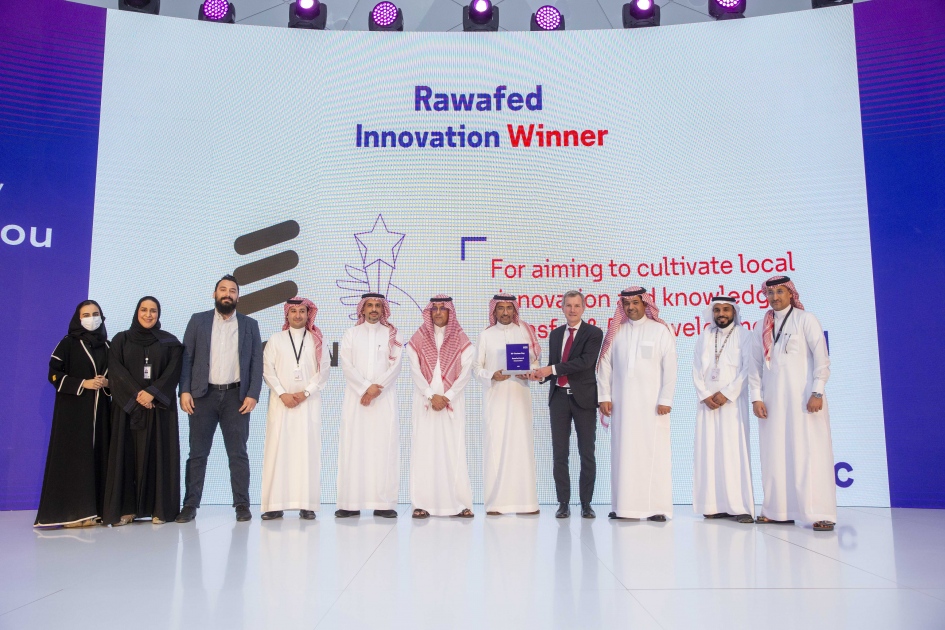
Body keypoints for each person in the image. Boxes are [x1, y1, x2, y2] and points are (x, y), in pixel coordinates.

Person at [749, 276, 836, 531]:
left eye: (780, 292)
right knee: (775, 455)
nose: (775, 297)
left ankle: (821, 513)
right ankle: (778, 511)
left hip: (805, 401)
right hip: (773, 403)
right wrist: (756, 397)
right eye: (770, 293)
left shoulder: (806, 320)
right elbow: (754, 365)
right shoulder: (761, 325)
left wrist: (817, 392)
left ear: (790, 294)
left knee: (811, 454)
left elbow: (822, 360)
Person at [176, 275, 263, 524]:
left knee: (238, 454)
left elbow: (257, 362)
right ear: (214, 294)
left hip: (237, 397)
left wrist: (253, 394)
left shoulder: (250, 325)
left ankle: (242, 505)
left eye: (232, 291)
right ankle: (190, 505)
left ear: (238, 297)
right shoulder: (198, 321)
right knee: (197, 453)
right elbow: (187, 358)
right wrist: (184, 390)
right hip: (202, 396)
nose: (227, 294)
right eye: (223, 290)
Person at [597, 287, 677, 521]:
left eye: (635, 303)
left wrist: (665, 399)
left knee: (654, 454)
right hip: (622, 406)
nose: (630, 307)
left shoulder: (660, 330)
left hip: (652, 406)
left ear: (645, 304)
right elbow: (605, 366)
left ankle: (657, 508)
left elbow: (670, 367)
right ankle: (623, 507)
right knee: (624, 454)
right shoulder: (616, 332)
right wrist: (604, 396)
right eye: (626, 303)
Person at [102, 297, 183, 526]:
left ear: (159, 313)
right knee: (126, 456)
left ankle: (160, 509)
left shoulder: (170, 342)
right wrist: (138, 395)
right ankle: (127, 510)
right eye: (144, 310)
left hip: (159, 410)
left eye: (153, 311)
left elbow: (173, 371)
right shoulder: (121, 340)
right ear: (137, 312)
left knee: (159, 456)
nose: (148, 315)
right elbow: (116, 371)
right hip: (127, 410)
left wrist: (153, 393)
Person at [34, 300, 111, 529]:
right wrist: (82, 383)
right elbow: (54, 374)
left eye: (95, 314)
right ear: (78, 318)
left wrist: (107, 383)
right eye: (86, 314)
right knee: (74, 460)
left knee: (98, 457)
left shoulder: (108, 346)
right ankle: (71, 514)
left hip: (101, 414)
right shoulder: (67, 343)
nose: (91, 318)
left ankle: (94, 512)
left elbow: (117, 377)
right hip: (73, 413)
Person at [531, 291, 603, 519]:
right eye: (568, 305)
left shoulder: (594, 333)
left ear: (584, 308)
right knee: (559, 454)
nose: (572, 310)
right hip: (559, 399)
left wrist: (550, 369)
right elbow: (553, 366)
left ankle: (586, 503)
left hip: (584, 400)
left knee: (587, 453)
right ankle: (563, 503)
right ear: (562, 307)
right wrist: (538, 376)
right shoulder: (555, 334)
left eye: (577, 305)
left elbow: (584, 362)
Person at [260, 298, 330, 521]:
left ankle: (306, 505)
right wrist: (282, 393)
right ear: (287, 314)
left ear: (308, 314)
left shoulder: (316, 340)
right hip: (281, 404)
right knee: (277, 452)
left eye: (302, 311)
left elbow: (323, 371)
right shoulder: (275, 339)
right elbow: (267, 370)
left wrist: (305, 392)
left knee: (306, 453)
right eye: (294, 311)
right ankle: (274, 505)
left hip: (307, 404)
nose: (298, 315)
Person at [406, 295, 475, 519]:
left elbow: (466, 373)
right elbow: (415, 371)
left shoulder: (461, 339)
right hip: (425, 403)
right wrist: (430, 395)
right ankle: (421, 504)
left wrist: (447, 397)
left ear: (450, 312)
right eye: (434, 308)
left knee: (454, 451)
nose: (437, 312)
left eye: (442, 308)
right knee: (424, 451)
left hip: (451, 403)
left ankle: (460, 504)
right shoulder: (418, 338)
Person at [336, 293, 403, 519]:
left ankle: (384, 504)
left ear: (383, 310)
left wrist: (375, 389)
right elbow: (346, 365)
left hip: (383, 400)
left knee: (383, 449)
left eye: (377, 306)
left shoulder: (392, 335)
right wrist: (365, 387)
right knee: (354, 448)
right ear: (362, 309)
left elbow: (395, 367)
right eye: (369, 305)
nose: (374, 309)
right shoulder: (351, 334)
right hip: (356, 401)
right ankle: (350, 503)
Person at [473, 294, 541, 516]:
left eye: (508, 308)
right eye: (500, 308)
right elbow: (476, 368)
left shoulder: (525, 332)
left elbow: (535, 363)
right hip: (496, 400)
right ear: (494, 311)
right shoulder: (485, 335)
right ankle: (496, 504)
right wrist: (491, 374)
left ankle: (526, 504)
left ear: (514, 310)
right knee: (496, 447)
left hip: (520, 398)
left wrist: (529, 371)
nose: (505, 312)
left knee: (521, 447)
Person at [691, 296, 755, 524]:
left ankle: (740, 507)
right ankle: (713, 505)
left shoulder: (744, 335)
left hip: (732, 405)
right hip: (708, 404)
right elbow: (696, 369)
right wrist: (705, 395)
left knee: (733, 453)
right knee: (709, 453)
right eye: (717, 310)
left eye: (726, 309)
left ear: (734, 312)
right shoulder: (705, 336)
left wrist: (727, 393)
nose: (721, 314)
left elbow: (748, 369)